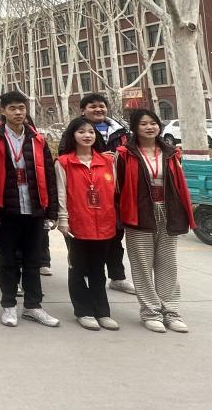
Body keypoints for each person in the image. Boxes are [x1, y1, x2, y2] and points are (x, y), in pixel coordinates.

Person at [0, 90, 60, 328]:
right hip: (7, 209)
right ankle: (9, 306)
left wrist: (51, 211)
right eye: (13, 108)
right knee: (7, 260)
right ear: (3, 111)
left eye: (21, 108)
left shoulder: (38, 139)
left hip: (34, 207)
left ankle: (33, 306)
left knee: (33, 259)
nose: (18, 112)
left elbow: (49, 175)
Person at [115, 109, 195, 334]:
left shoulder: (171, 152)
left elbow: (180, 184)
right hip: (139, 213)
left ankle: (171, 311)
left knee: (167, 264)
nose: (149, 127)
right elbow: (118, 188)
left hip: (168, 210)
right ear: (135, 127)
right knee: (142, 264)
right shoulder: (124, 154)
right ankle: (150, 312)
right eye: (143, 124)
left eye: (153, 123)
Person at [55, 117, 120, 331]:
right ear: (72, 135)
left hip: (105, 223)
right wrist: (63, 220)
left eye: (91, 132)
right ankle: (83, 310)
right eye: (81, 131)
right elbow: (61, 194)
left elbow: (115, 192)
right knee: (77, 268)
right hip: (77, 224)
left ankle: (102, 311)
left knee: (98, 270)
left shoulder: (108, 161)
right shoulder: (64, 162)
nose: (87, 135)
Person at [79, 93, 136, 295]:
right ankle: (85, 272)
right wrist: (97, 158)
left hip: (116, 191)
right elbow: (66, 155)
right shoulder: (78, 130)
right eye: (92, 106)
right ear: (83, 110)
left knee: (115, 236)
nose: (98, 109)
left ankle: (117, 277)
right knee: (87, 237)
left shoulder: (120, 131)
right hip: (88, 192)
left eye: (101, 106)